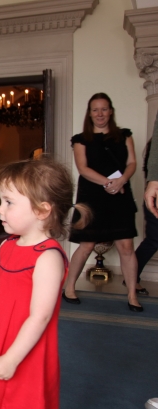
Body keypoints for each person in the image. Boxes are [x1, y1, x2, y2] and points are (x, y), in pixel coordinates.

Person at [0, 157, 91, 409]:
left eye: (8, 202)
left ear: (42, 210)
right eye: (1, 201)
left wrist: (13, 358)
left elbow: (40, 317)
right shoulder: (7, 245)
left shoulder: (48, 257)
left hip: (23, 346)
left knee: (19, 397)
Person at [62, 93, 143, 312]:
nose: (100, 114)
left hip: (120, 194)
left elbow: (132, 162)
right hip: (93, 196)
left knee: (126, 246)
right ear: (89, 113)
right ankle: (69, 287)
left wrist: (122, 180)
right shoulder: (81, 139)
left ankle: (132, 294)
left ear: (111, 111)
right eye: (95, 110)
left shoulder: (124, 136)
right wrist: (109, 183)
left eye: (104, 109)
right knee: (87, 245)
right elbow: (83, 169)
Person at [132, 113, 158, 295]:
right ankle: (132, 278)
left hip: (152, 197)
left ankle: (131, 278)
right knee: (152, 241)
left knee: (152, 241)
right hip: (154, 200)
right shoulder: (153, 151)